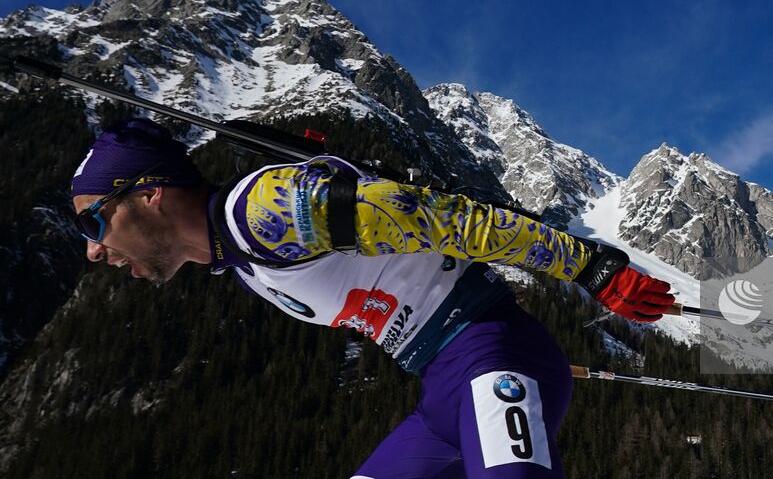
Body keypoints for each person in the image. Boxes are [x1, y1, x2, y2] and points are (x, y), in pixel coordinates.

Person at [70, 117, 675, 479]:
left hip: (494, 358)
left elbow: (444, 219)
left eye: (93, 225)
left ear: (148, 195)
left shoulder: (262, 213)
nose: (94, 251)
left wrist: (592, 266)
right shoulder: (233, 252)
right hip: (441, 395)